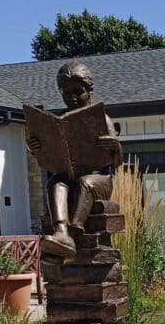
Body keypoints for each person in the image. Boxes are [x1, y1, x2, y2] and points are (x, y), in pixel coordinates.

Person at [26, 62, 122, 260]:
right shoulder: (59, 121)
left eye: (78, 92)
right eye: (66, 93)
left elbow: (117, 164)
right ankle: (61, 231)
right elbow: (50, 161)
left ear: (89, 91)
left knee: (84, 182)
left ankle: (73, 233)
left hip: (99, 180)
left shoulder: (101, 119)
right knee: (55, 182)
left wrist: (115, 147)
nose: (73, 98)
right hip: (70, 176)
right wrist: (37, 149)